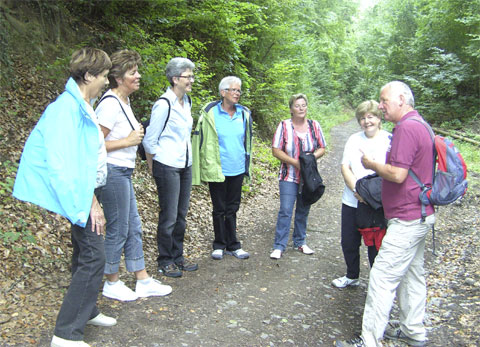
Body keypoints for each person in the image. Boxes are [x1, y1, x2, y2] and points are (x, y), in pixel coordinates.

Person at [13, 48, 116, 347]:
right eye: (104, 76)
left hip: (85, 188)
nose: (107, 82)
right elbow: (63, 164)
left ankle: (87, 310)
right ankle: (66, 333)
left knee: (84, 252)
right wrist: (90, 201)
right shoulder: (64, 109)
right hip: (77, 191)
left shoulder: (83, 103)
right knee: (95, 255)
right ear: (88, 75)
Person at [335, 81, 435, 347]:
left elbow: (397, 174)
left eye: (384, 101)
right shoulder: (421, 124)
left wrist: (372, 165)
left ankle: (369, 341)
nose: (380, 106)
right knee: (412, 275)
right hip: (421, 213)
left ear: (401, 99)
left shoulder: (406, 129)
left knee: (381, 277)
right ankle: (414, 332)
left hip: (407, 217)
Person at [96, 49, 172, 301]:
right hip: (112, 171)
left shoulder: (124, 102)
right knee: (119, 227)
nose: (138, 76)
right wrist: (128, 140)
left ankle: (142, 279)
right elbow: (93, 144)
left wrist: (133, 138)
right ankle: (111, 281)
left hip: (123, 172)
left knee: (134, 227)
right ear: (119, 78)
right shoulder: (109, 103)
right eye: (133, 73)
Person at [142, 57, 198, 278]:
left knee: (181, 214)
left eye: (192, 75)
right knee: (169, 216)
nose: (192, 80)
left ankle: (178, 256)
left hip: (185, 164)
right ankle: (164, 260)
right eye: (188, 76)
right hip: (167, 165)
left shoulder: (187, 102)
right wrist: (153, 166)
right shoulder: (164, 104)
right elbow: (149, 139)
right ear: (175, 79)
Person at [192, 76, 253, 260]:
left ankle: (233, 244)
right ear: (223, 92)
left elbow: (247, 142)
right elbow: (199, 141)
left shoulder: (244, 114)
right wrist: (199, 167)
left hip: (237, 168)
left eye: (239, 90)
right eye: (233, 90)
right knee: (219, 208)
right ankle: (219, 244)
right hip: (216, 168)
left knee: (232, 208)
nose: (237, 93)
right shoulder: (210, 112)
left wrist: (247, 166)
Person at [331, 100, 391, 288]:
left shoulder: (389, 140)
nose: (367, 121)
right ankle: (351, 275)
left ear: (379, 118)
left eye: (370, 117)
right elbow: (345, 167)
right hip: (352, 200)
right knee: (349, 241)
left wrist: (371, 196)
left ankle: (377, 283)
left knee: (375, 244)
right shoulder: (354, 139)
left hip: (378, 203)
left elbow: (391, 171)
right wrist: (357, 191)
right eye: (363, 118)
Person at [270, 93, 326, 259]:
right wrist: (295, 162)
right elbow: (276, 150)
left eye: (303, 105)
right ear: (291, 109)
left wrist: (310, 159)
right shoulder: (284, 126)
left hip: (308, 177)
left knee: (303, 209)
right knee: (286, 210)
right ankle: (279, 245)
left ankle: (300, 242)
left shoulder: (314, 125)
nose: (301, 108)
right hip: (288, 176)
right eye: (297, 106)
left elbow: (322, 147)